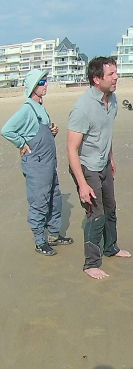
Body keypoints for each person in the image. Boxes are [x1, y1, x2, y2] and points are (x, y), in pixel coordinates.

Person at [67, 57, 131, 279]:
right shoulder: (82, 108)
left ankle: (110, 247)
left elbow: (106, 133)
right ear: (96, 79)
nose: (116, 77)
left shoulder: (112, 101)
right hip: (86, 167)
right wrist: (82, 184)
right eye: (111, 74)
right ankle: (91, 264)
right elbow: (71, 149)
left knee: (110, 209)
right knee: (96, 215)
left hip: (103, 164)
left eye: (116, 72)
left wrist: (110, 158)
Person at [1, 69, 74, 256]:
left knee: (54, 199)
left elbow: (38, 130)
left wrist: (53, 130)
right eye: (42, 82)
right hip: (37, 163)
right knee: (39, 202)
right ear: (34, 86)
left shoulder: (40, 106)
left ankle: (53, 235)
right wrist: (21, 143)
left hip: (49, 163)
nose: (46, 85)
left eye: (46, 81)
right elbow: (7, 130)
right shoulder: (27, 108)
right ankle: (40, 241)